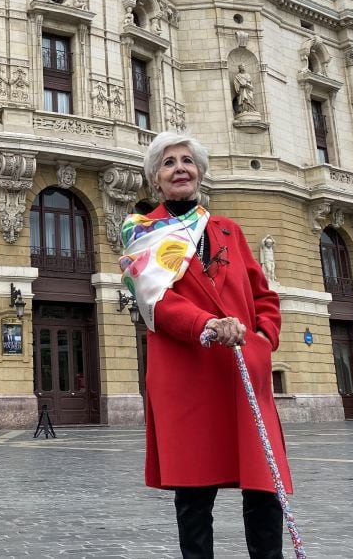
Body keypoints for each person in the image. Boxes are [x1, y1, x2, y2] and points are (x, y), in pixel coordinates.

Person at [120, 131, 290, 559]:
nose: (180, 168)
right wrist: (209, 324)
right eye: (168, 163)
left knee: (264, 490)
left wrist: (264, 339)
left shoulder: (229, 229)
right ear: (155, 179)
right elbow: (155, 301)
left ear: (199, 173)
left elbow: (264, 295)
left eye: (187, 161)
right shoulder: (143, 232)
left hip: (241, 371)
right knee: (195, 498)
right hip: (187, 374)